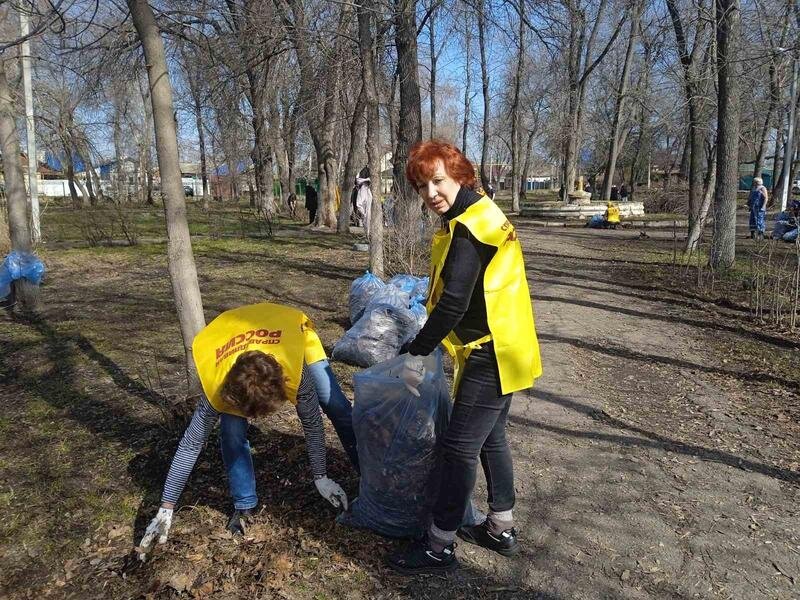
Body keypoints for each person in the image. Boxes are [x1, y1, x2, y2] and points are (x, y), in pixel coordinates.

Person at [387, 140, 542, 575]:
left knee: (458, 449)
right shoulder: (478, 214)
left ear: (459, 175)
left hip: (492, 353)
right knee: (491, 438)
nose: (430, 193)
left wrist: (417, 350)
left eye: (437, 181)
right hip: (506, 345)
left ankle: (438, 546)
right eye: (421, 187)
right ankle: (500, 527)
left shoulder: (473, 226)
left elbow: (453, 303)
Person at [137, 302, 359, 558]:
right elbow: (191, 443)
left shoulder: (296, 374)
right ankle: (244, 505)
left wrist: (321, 476)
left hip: (287, 328)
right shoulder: (218, 384)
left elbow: (312, 423)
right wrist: (166, 507)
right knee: (231, 431)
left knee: (337, 406)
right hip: (229, 334)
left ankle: (369, 477)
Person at [355, 167, 372, 235]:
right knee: (367, 215)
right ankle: (367, 232)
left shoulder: (363, 188)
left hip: (365, 189)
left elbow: (358, 204)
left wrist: (363, 213)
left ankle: (367, 232)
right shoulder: (364, 187)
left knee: (367, 215)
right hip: (365, 189)